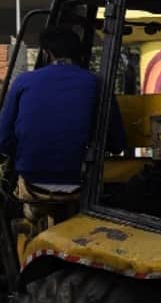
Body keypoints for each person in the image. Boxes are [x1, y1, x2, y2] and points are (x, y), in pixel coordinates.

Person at [0, 25, 125, 188]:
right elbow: (117, 143)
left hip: (31, 180)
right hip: (79, 180)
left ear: (47, 53)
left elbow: (3, 139)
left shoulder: (24, 82)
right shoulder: (97, 83)